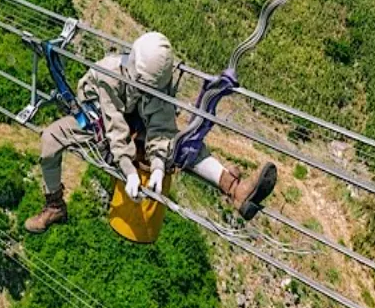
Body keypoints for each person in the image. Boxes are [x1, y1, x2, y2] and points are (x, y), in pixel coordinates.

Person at [25, 31, 278, 234]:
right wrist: (129, 170)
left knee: (178, 145)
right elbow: (114, 127)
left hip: (134, 114)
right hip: (96, 115)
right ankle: (55, 205)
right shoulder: (109, 76)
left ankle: (235, 188)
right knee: (50, 138)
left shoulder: (156, 80)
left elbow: (162, 124)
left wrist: (157, 165)